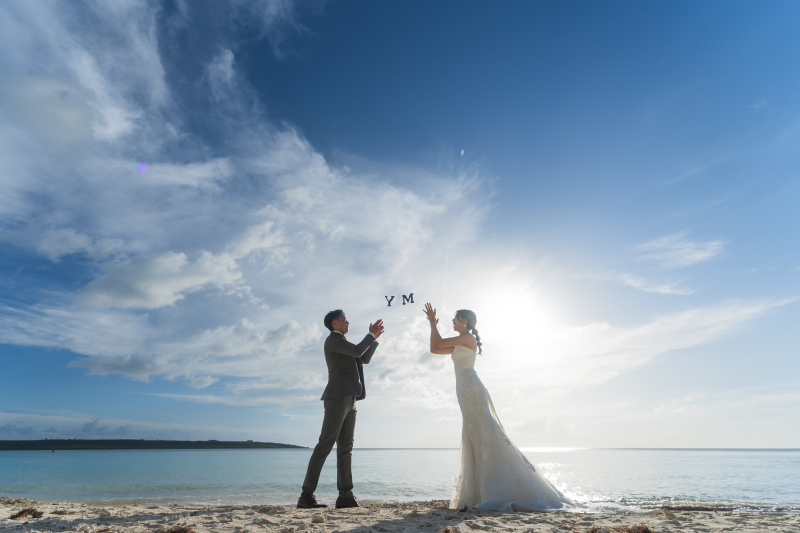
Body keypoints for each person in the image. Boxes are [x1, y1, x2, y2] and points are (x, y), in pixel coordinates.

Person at [423, 302, 573, 511]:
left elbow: (438, 341)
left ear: (464, 321)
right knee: (474, 432)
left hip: (472, 389)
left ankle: (498, 488)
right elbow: (434, 348)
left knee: (486, 432)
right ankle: (480, 490)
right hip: (464, 391)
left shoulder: (467, 338)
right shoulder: (460, 342)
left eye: (455, 318)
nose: (453, 321)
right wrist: (431, 325)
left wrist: (432, 322)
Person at [297, 310, 384, 509]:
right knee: (325, 444)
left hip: (351, 397)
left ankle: (345, 496)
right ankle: (306, 496)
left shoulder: (344, 344)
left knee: (346, 448)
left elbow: (363, 358)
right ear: (335, 323)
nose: (348, 322)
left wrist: (374, 339)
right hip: (337, 397)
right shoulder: (333, 340)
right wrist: (369, 335)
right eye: (344, 319)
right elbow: (357, 350)